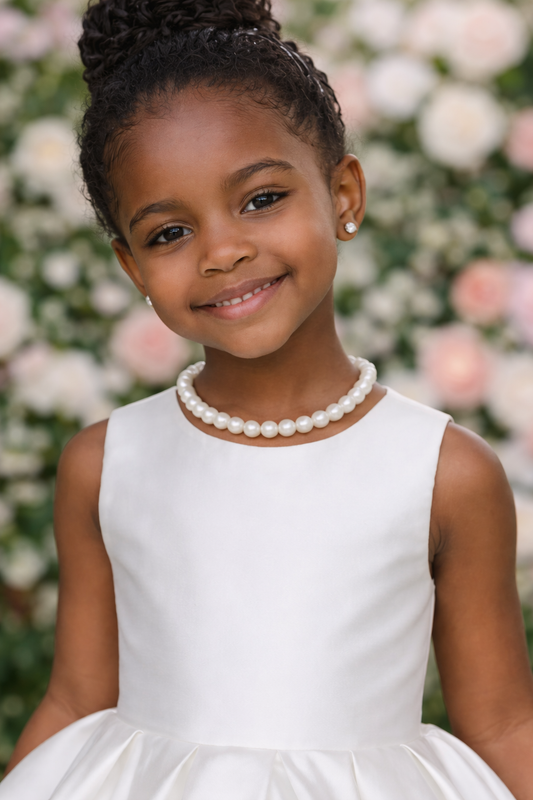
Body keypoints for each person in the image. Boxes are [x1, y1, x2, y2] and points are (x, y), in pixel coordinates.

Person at [2, 1, 533, 797]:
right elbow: (78, 696)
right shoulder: (104, 463)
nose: (223, 251)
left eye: (260, 199)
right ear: (130, 268)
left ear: (344, 193)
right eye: (168, 233)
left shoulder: (444, 473)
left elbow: (500, 724)